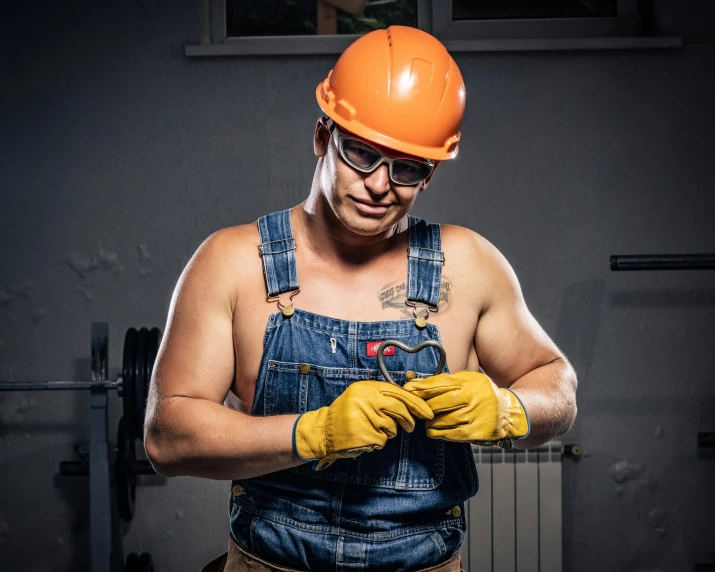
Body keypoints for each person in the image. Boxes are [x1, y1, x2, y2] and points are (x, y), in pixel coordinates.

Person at [144, 25, 578, 572]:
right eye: (361, 153)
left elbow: (558, 388)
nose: (379, 184)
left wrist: (508, 409)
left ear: (430, 174)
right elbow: (167, 438)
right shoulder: (233, 263)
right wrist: (315, 431)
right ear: (323, 136)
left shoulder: (468, 265)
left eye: (406, 168)